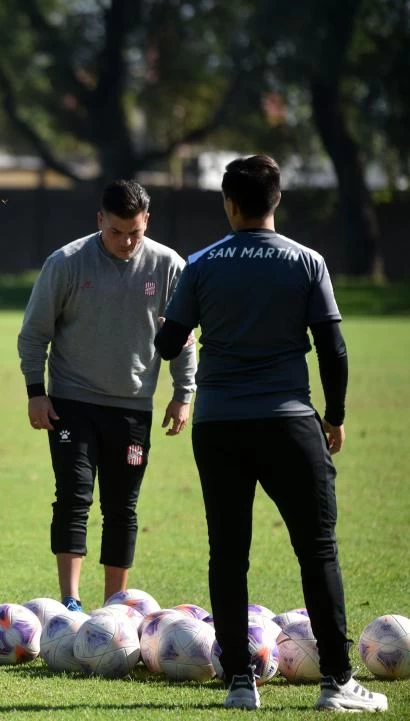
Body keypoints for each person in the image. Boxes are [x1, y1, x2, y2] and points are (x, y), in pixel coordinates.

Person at [154, 155, 387, 712]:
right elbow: (333, 347)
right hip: (288, 422)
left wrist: (184, 332)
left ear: (229, 204)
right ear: (276, 200)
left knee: (228, 555)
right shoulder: (307, 262)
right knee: (318, 549)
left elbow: (168, 344)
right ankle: (336, 683)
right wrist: (335, 415)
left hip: (219, 426)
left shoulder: (203, 264)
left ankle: (239, 682)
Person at [18, 180, 197, 613]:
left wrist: (183, 392)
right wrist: (35, 392)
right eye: (116, 232)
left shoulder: (169, 266)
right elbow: (34, 334)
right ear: (100, 220)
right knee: (74, 496)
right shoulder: (66, 263)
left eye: (134, 232)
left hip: (133, 405)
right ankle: (70, 602)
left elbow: (186, 337)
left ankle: (115, 605)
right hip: (71, 403)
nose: (125, 241)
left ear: (146, 222)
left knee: (122, 506)